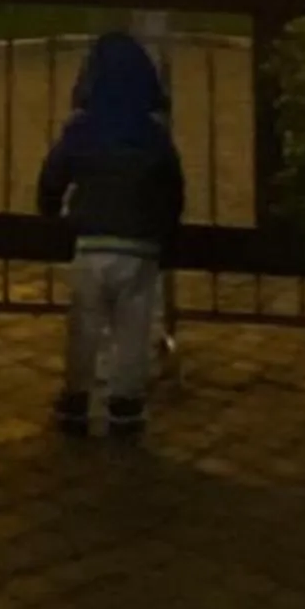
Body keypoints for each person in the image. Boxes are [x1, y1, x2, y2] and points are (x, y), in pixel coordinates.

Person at [37, 32, 185, 441]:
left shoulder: (83, 130)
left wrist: (50, 210)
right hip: (139, 244)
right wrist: (165, 230)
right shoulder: (154, 136)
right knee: (133, 328)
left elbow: (54, 174)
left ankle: (76, 398)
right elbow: (172, 188)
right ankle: (126, 402)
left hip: (90, 240)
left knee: (84, 325)